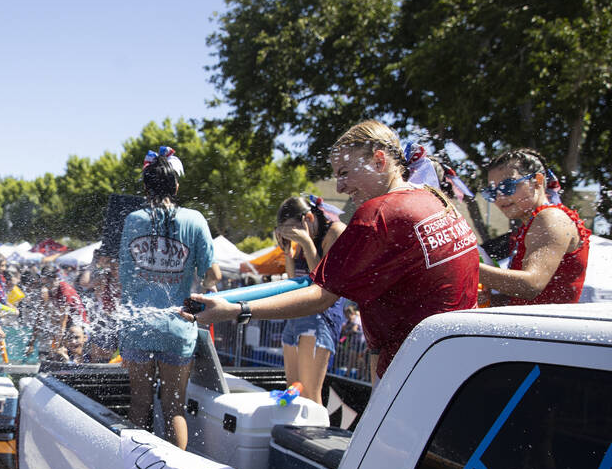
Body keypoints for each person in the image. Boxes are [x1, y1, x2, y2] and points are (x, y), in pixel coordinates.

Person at [186, 119, 480, 382]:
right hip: (459, 360)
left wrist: (236, 310)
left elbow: (321, 295)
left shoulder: (378, 213)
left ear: (379, 161)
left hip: (411, 367)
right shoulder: (435, 199)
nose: (339, 188)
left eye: (344, 173)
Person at [118, 146, 219, 450]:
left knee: (139, 403)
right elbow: (213, 273)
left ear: (146, 187)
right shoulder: (195, 220)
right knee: (174, 408)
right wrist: (193, 284)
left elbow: (124, 276)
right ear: (176, 185)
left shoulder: (133, 220)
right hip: (178, 325)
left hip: (137, 326)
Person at [477, 148, 590, 305]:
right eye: (492, 192)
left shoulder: (550, 217)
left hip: (549, 328)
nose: (499, 197)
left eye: (507, 187)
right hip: (540, 326)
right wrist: (489, 301)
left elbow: (531, 285)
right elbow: (524, 301)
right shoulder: (532, 224)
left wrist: (467, 265)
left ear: (538, 181)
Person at [274, 195, 347, 405]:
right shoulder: (302, 241)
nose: (292, 235)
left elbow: (323, 282)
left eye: (292, 230)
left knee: (309, 396)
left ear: (308, 218)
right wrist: (288, 251)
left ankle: (315, 435)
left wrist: (306, 243)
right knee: (292, 392)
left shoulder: (335, 231)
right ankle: (291, 434)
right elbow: (292, 280)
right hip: (296, 315)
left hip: (321, 318)